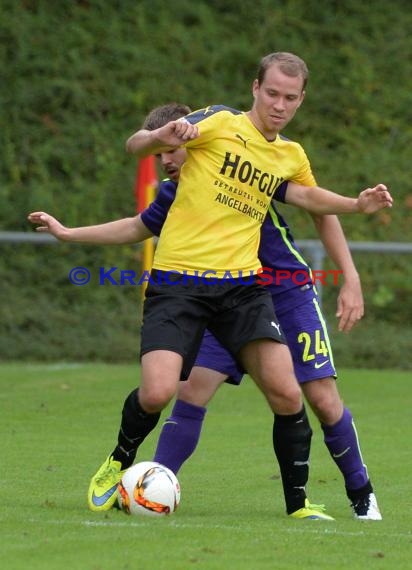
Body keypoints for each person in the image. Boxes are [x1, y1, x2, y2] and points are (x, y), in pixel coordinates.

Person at [28, 53, 391, 520]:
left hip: (265, 288)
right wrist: (69, 233)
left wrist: (353, 243)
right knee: (180, 390)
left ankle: (348, 496)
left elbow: (310, 201)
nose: (167, 163)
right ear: (255, 88)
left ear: (301, 100)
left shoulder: (281, 156)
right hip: (190, 287)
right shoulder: (196, 158)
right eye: (273, 93)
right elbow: (137, 218)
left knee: (308, 396)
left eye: (290, 97)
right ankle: (139, 480)